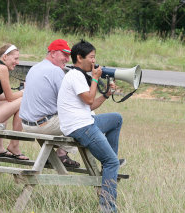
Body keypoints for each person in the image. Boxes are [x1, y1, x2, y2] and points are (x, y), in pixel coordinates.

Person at [57, 40, 124, 212]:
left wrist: (107, 94)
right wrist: (95, 78)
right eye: (91, 57)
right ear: (79, 58)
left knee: (116, 119)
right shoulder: (75, 76)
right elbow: (88, 99)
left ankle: (109, 165)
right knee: (112, 162)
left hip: (86, 120)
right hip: (81, 126)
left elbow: (89, 106)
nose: (94, 61)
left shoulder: (78, 75)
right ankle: (108, 208)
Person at [19, 39, 80, 168]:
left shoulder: (34, 68)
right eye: (64, 55)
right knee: (87, 117)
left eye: (68, 55)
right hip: (43, 125)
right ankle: (61, 154)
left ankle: (56, 155)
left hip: (26, 125)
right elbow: (70, 102)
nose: (67, 59)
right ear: (53, 53)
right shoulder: (55, 71)